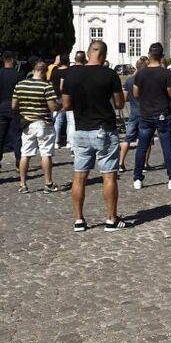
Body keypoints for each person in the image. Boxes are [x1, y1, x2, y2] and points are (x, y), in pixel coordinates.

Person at [62, 41, 127, 231]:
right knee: (109, 177)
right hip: (103, 129)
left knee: (79, 177)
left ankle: (79, 220)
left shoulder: (72, 74)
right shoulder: (109, 74)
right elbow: (119, 104)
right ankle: (111, 219)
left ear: (89, 52)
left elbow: (66, 105)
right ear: (104, 55)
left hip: (81, 130)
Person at [132, 43, 171, 190]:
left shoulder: (140, 73)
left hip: (145, 113)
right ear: (162, 56)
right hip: (162, 113)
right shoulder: (166, 73)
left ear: (149, 55)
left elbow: (136, 94)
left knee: (142, 147)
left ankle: (137, 179)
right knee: (167, 147)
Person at [11, 60, 59, 193]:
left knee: (25, 154)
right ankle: (48, 183)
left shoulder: (20, 85)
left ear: (33, 70)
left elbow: (14, 105)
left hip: (27, 123)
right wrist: (59, 106)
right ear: (44, 72)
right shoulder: (46, 86)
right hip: (43, 123)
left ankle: (23, 184)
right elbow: (52, 106)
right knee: (46, 153)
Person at [118, 57, 150, 172]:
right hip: (145, 113)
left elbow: (125, 98)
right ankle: (144, 164)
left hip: (133, 112)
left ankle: (121, 162)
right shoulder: (146, 80)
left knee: (127, 138)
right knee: (146, 139)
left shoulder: (129, 80)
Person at [0, 51, 22, 170]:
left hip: (1, 106)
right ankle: (19, 161)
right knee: (16, 135)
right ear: (13, 60)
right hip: (15, 107)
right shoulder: (18, 75)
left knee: (1, 136)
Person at [49, 54, 70, 148]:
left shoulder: (55, 71)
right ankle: (69, 142)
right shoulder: (70, 71)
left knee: (58, 120)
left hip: (56, 96)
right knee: (70, 121)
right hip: (67, 96)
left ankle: (56, 141)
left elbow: (51, 83)